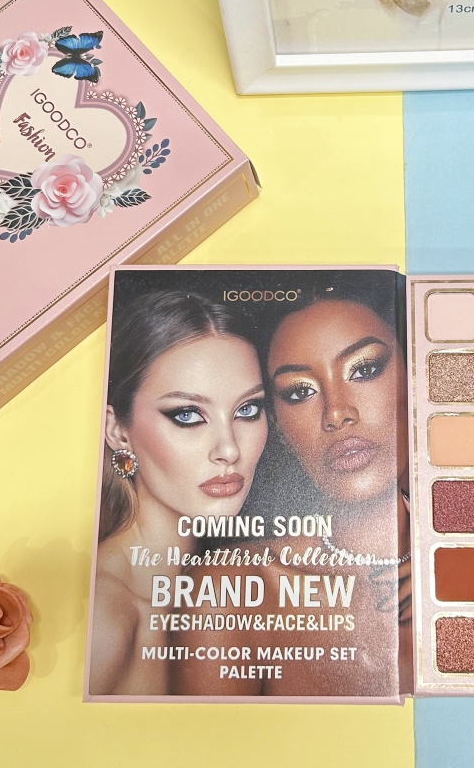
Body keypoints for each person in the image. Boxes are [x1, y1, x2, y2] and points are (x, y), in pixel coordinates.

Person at [176, 288, 411, 697]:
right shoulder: (235, 591)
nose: (336, 414)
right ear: (278, 425)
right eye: (300, 392)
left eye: (365, 370)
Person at [88, 291, 268, 696]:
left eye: (247, 410)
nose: (229, 450)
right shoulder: (105, 616)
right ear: (118, 431)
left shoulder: (224, 594)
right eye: (187, 415)